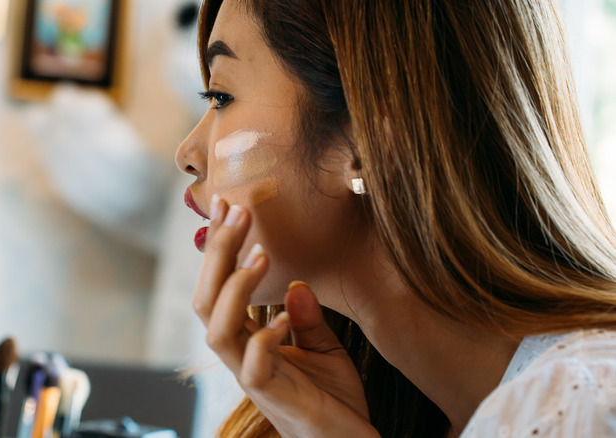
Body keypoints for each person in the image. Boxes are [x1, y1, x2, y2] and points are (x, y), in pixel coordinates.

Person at [174, 0, 616, 436]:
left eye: (221, 96)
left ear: (366, 145)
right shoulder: (370, 407)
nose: (187, 155)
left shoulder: (585, 405)